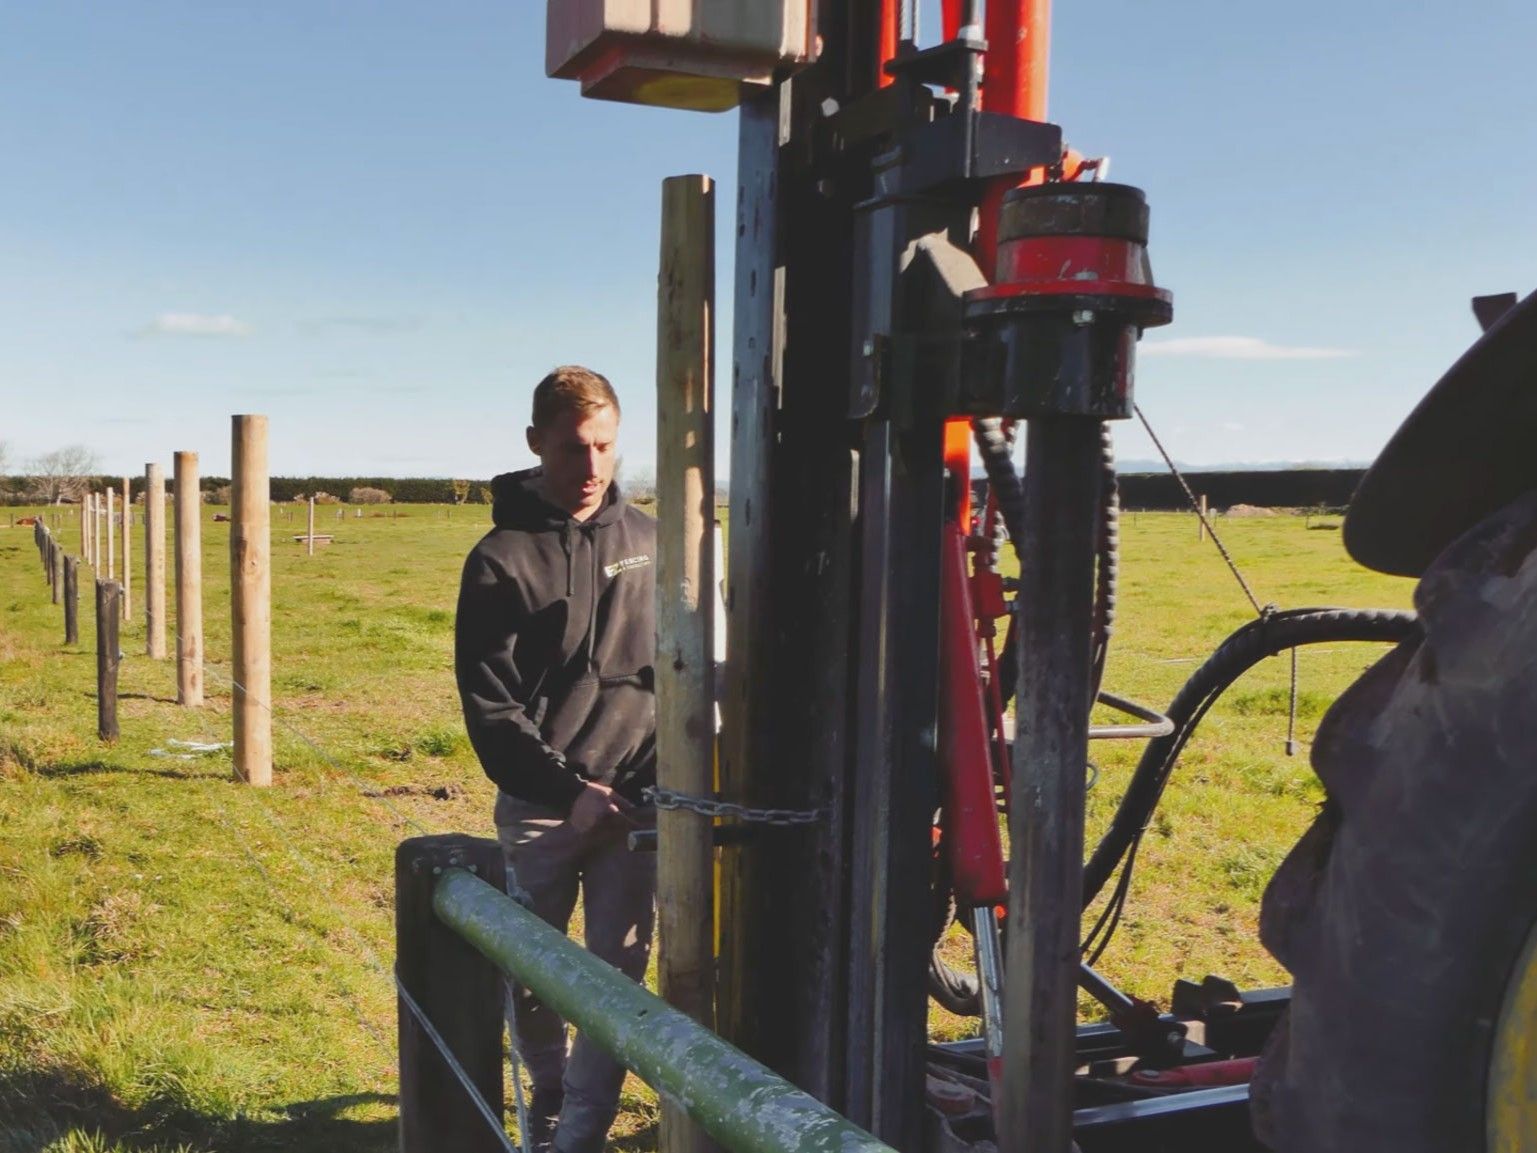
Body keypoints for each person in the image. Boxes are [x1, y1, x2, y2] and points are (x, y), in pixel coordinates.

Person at [455, 365, 657, 1153]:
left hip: (639, 806)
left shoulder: (651, 539)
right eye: (574, 449)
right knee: (533, 976)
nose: (592, 467)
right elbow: (490, 707)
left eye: (605, 446)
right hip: (543, 808)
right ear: (535, 442)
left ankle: (576, 1135)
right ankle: (545, 1092)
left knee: (615, 985)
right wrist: (568, 790)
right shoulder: (499, 558)